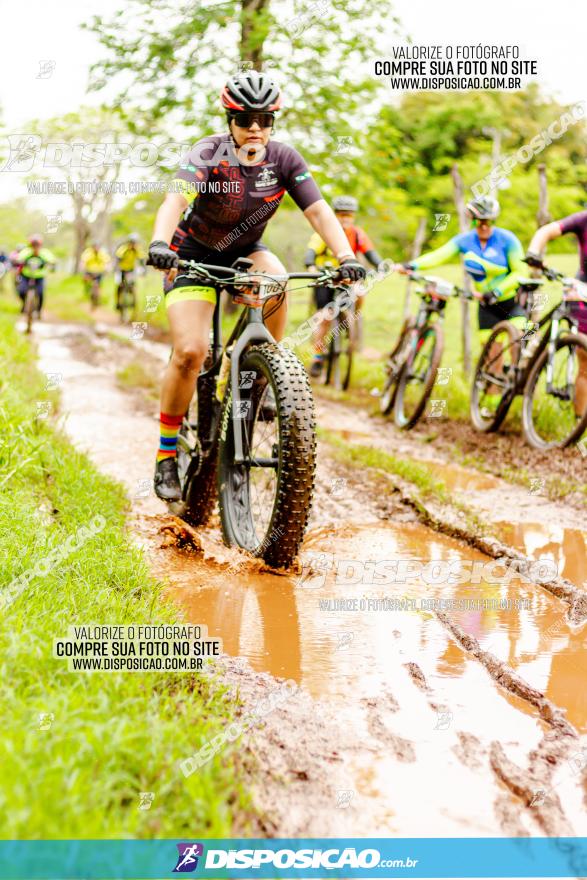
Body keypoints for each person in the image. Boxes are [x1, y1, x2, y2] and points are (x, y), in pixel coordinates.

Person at [146, 70, 366, 502]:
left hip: (245, 250)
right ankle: (166, 453)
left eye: (265, 120)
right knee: (191, 351)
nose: (255, 128)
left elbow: (320, 212)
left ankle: (260, 371)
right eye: (245, 119)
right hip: (191, 254)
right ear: (230, 119)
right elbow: (175, 199)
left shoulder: (284, 159)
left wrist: (347, 258)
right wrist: (159, 243)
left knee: (278, 279)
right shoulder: (208, 153)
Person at [397, 196, 527, 341]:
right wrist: (412, 265)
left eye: (488, 222)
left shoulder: (508, 239)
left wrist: (496, 292)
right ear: (472, 220)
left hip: (511, 301)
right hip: (485, 304)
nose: (484, 226)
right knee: (490, 354)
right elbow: (439, 255)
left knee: (518, 341)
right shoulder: (465, 240)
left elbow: (520, 272)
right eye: (479, 222)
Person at [304, 195, 384, 377]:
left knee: (361, 291)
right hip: (325, 276)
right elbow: (310, 253)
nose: (345, 219)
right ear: (334, 215)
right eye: (341, 215)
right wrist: (311, 266)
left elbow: (372, 254)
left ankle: (351, 318)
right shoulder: (323, 232)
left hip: (348, 277)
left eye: (348, 215)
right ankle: (317, 356)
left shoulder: (357, 233)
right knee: (324, 318)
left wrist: (382, 267)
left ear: (353, 216)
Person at [527, 210, 587, 412]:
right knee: (585, 359)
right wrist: (534, 252)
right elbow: (547, 231)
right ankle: (579, 426)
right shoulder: (583, 219)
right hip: (581, 293)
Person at [16, 234, 56, 316]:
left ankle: (38, 310)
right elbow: (19, 258)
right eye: (33, 244)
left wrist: (51, 263)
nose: (35, 246)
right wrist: (18, 261)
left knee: (40, 293)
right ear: (31, 245)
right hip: (26, 276)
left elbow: (52, 259)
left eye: (37, 244)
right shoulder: (27, 251)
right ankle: (24, 305)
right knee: (21, 291)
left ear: (40, 245)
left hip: (39, 277)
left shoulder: (44, 253)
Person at [114, 233, 145, 310]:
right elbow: (118, 258)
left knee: (132, 285)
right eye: (131, 242)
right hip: (122, 269)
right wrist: (116, 267)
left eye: (134, 243)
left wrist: (144, 269)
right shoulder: (123, 249)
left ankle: (133, 300)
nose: (133, 244)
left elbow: (141, 260)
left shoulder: (137, 250)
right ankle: (118, 302)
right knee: (120, 285)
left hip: (131, 270)